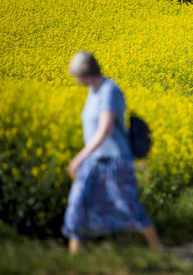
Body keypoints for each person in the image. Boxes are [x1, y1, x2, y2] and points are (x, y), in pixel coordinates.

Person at [63, 51, 161, 254]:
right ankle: (72, 261)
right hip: (94, 160)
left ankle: (158, 250)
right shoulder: (93, 91)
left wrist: (79, 157)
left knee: (127, 205)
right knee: (78, 204)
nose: (77, 81)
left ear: (86, 73)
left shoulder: (109, 91)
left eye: (78, 76)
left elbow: (105, 128)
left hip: (115, 160)